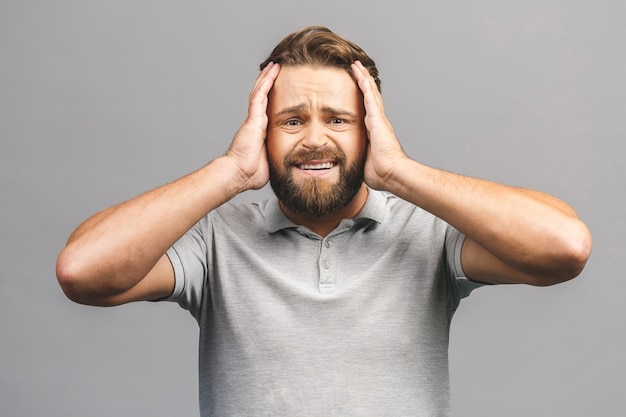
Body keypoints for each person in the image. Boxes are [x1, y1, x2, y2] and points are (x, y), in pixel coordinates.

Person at [56, 26, 592, 416]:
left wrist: (400, 173)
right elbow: (82, 271)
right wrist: (230, 172)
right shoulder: (213, 240)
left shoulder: (430, 234)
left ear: (371, 131)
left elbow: (565, 247)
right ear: (262, 133)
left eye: (338, 120)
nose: (314, 139)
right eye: (291, 120)